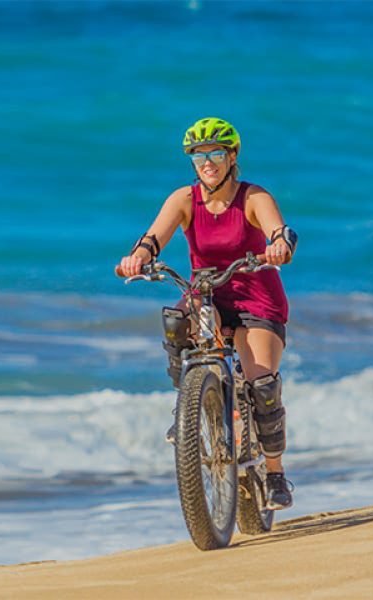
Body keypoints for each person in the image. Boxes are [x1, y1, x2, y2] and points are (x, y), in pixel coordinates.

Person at [118, 117, 297, 510]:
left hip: (255, 296)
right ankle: (190, 407)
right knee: (178, 323)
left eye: (216, 153)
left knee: (262, 384)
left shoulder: (252, 197)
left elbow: (278, 230)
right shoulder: (184, 199)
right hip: (207, 295)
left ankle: (276, 473)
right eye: (199, 156)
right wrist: (138, 258)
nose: (207, 162)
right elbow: (153, 238)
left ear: (232, 157)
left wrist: (279, 245)